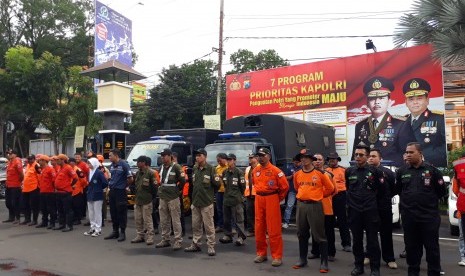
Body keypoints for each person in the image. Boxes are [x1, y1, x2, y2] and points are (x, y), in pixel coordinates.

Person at [395, 142, 446, 276]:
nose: (408, 155)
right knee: (412, 250)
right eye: (406, 152)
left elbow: (441, 192)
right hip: (409, 218)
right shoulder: (401, 172)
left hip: (429, 218)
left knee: (432, 249)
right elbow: (399, 190)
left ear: (420, 153)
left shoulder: (432, 171)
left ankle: (434, 272)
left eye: (411, 152)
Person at [353, 76, 415, 166]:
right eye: (372, 98)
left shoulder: (401, 124)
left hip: (390, 172)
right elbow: (355, 155)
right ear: (367, 103)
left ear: (389, 101)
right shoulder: (360, 126)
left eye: (381, 98)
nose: (376, 102)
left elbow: (408, 155)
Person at [292, 150, 334, 273]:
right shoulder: (297, 174)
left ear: (311, 159)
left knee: (319, 235)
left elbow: (330, 188)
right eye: (301, 158)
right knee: (301, 233)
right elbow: (296, 187)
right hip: (301, 205)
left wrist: (319, 196)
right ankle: (302, 259)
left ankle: (324, 262)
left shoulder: (320, 174)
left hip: (315, 205)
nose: (303, 160)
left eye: (306, 157)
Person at [346, 144, 384, 276]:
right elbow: (348, 189)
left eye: (361, 155)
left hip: (370, 211)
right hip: (355, 212)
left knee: (372, 241)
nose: (357, 157)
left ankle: (375, 269)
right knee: (356, 241)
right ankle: (358, 266)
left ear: (367, 156)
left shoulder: (376, 171)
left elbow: (382, 192)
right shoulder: (349, 171)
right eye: (356, 155)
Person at [252, 147, 289, 267]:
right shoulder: (255, 170)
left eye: (263, 155)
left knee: (273, 228)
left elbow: (284, 187)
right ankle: (261, 253)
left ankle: (277, 256)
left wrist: (277, 199)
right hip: (259, 199)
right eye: (259, 156)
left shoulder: (276, 171)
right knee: (259, 227)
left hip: (271, 198)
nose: (260, 158)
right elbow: (254, 183)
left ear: (268, 156)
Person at [403, 78, 447, 167]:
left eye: (419, 98)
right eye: (411, 99)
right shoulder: (402, 121)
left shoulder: (439, 119)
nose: (415, 102)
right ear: (406, 102)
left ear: (427, 100)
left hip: (433, 166)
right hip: (406, 168)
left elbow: (445, 146)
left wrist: (421, 156)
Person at [184, 148, 220, 256]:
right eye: (196, 156)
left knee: (209, 226)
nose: (197, 157)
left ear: (205, 156)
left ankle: (211, 246)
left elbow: (217, 185)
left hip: (206, 202)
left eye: (199, 155)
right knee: (196, 225)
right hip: (196, 202)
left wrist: (209, 195)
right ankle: (196, 244)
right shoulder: (195, 169)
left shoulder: (211, 169)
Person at [367, 148, 397, 269]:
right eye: (369, 156)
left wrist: (385, 199)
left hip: (384, 208)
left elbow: (395, 190)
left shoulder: (388, 173)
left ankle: (389, 258)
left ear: (380, 159)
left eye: (374, 156)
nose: (371, 158)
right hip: (369, 208)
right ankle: (368, 255)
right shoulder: (363, 172)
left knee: (386, 234)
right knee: (370, 234)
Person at [309, 153, 337, 263]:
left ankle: (331, 253)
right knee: (315, 231)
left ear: (323, 161)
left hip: (326, 208)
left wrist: (322, 196)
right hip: (313, 208)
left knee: (329, 232)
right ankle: (315, 252)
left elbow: (334, 191)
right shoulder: (308, 174)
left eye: (320, 159)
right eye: (315, 159)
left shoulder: (328, 174)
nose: (317, 161)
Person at [156, 149, 186, 250]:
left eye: (164, 155)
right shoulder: (161, 167)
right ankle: (165, 239)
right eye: (162, 155)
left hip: (173, 197)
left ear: (170, 156)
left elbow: (183, 180)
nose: (162, 157)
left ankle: (178, 241)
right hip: (163, 196)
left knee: (175, 220)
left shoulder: (176, 167)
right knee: (164, 220)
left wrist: (178, 191)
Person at [104, 148, 133, 242]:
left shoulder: (124, 164)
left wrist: (125, 186)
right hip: (112, 191)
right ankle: (115, 231)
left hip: (120, 191)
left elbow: (130, 178)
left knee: (121, 212)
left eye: (110, 155)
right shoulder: (112, 165)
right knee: (113, 212)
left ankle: (122, 232)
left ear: (116, 156)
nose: (109, 157)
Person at [326, 152, 352, 252]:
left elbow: (349, 184)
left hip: (341, 196)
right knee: (329, 222)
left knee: (343, 221)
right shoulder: (326, 171)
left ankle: (346, 244)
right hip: (329, 197)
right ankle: (329, 245)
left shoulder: (344, 170)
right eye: (330, 159)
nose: (332, 160)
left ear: (337, 160)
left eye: (334, 159)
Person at [219, 153, 246, 246]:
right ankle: (228, 235)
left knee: (239, 219)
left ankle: (241, 237)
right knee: (226, 219)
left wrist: (239, 196)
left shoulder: (239, 172)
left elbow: (243, 187)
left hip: (236, 199)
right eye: (227, 160)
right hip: (226, 199)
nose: (228, 162)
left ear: (234, 160)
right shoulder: (224, 172)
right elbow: (225, 185)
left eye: (230, 160)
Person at [131, 155, 157, 245]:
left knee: (147, 220)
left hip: (147, 200)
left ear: (143, 163)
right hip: (138, 200)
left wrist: (152, 198)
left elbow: (154, 188)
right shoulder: (138, 173)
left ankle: (150, 237)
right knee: (138, 219)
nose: (137, 164)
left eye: (138, 162)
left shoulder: (151, 173)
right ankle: (140, 236)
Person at [84, 157, 108, 237]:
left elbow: (105, 182)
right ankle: (92, 228)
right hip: (90, 193)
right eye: (88, 163)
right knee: (91, 212)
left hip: (97, 194)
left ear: (94, 163)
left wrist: (98, 188)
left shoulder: (98, 172)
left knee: (97, 212)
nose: (88, 165)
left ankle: (98, 229)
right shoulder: (89, 172)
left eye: (90, 163)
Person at [54, 154, 78, 232]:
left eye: (58, 160)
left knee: (67, 210)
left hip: (66, 192)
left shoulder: (68, 168)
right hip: (58, 192)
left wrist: (70, 185)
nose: (56, 161)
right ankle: (62, 224)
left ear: (62, 160)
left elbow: (75, 178)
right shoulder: (59, 168)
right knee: (60, 210)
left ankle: (69, 225)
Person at [451, 154, 465, 266]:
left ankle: (464, 257)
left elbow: (455, 189)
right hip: (462, 208)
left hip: (462, 207)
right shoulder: (458, 166)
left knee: (462, 234)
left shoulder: (458, 166)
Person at [3, 150, 23, 224]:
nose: (9, 155)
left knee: (15, 203)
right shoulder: (9, 162)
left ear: (15, 154)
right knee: (8, 202)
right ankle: (11, 217)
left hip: (15, 185)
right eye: (8, 153)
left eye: (11, 153)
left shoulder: (17, 162)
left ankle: (17, 218)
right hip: (8, 185)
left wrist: (19, 182)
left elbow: (21, 174)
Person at [36, 155, 57, 229]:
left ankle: (52, 223)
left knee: (51, 208)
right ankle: (44, 222)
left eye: (41, 160)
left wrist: (54, 189)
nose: (39, 162)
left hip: (49, 192)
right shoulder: (42, 170)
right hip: (42, 191)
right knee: (43, 208)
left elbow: (54, 180)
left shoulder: (50, 169)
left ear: (45, 161)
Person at [21, 154, 41, 225]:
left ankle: (34, 220)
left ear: (34, 159)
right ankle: (27, 219)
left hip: (34, 188)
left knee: (34, 205)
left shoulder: (36, 165)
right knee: (25, 205)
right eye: (28, 159)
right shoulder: (28, 165)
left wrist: (39, 187)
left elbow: (40, 176)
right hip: (26, 189)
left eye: (30, 159)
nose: (29, 160)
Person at [282, 155, 301, 229]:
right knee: (289, 206)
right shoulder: (289, 168)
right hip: (292, 191)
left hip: (300, 191)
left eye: (298, 162)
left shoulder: (302, 168)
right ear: (293, 162)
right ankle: (286, 222)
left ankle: (300, 223)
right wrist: (292, 176)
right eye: (296, 162)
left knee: (300, 207)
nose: (297, 163)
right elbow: (285, 178)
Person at [69, 158, 88, 225]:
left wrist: (81, 187)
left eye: (71, 162)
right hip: (71, 190)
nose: (70, 163)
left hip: (77, 190)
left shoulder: (78, 170)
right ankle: (74, 219)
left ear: (74, 163)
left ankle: (78, 219)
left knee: (77, 206)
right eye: (69, 162)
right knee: (72, 206)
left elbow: (83, 180)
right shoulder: (69, 169)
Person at [244, 153, 258, 237]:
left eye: (251, 158)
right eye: (249, 158)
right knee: (249, 213)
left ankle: (261, 231)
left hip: (257, 194)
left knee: (259, 214)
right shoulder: (247, 169)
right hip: (248, 194)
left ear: (256, 158)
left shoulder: (260, 168)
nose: (250, 159)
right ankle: (251, 230)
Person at [214, 152, 228, 233]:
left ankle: (229, 226)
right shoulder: (217, 168)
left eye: (220, 160)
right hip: (219, 191)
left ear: (225, 159)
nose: (219, 162)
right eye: (217, 161)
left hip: (227, 192)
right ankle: (220, 225)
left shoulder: (229, 167)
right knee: (219, 209)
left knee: (227, 209)